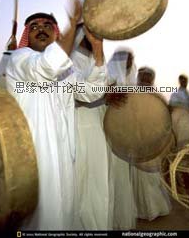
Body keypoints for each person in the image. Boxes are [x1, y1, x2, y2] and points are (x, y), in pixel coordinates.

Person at [6, 0, 106, 230]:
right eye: (35, 27)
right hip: (33, 156)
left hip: (64, 154)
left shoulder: (67, 70)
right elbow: (47, 67)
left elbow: (92, 92)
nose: (41, 30)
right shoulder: (20, 59)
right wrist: (74, 22)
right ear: (26, 36)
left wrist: (98, 49)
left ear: (55, 33)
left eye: (47, 26)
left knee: (63, 212)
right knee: (37, 218)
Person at [71, 24, 112, 230]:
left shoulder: (96, 59)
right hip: (75, 126)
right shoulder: (68, 60)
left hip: (95, 126)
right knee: (77, 184)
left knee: (96, 184)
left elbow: (99, 92)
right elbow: (85, 93)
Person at [131, 67, 172, 221]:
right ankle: (140, 209)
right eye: (142, 77)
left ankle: (154, 209)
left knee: (152, 176)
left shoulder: (158, 97)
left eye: (147, 77)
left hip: (153, 141)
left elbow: (165, 118)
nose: (144, 80)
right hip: (136, 139)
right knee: (138, 176)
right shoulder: (132, 95)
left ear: (152, 79)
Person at [106, 48, 137, 230]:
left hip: (126, 133)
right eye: (128, 58)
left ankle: (121, 220)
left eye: (132, 59)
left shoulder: (130, 79)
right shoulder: (108, 75)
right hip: (110, 132)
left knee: (123, 176)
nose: (130, 62)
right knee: (111, 174)